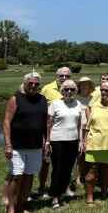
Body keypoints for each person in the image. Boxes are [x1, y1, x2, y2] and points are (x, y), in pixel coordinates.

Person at [3, 72, 48, 213]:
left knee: (29, 176)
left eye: (36, 84)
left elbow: (46, 123)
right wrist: (8, 144)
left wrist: (46, 141)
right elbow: (7, 122)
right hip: (17, 146)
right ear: (25, 83)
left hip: (35, 146)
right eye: (31, 83)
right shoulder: (16, 99)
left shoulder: (42, 99)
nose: (33, 86)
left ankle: (21, 206)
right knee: (17, 176)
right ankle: (11, 209)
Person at [45, 79, 85, 209]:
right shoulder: (55, 104)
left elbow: (79, 125)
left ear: (75, 91)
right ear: (62, 90)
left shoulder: (78, 104)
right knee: (58, 169)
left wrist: (80, 141)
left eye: (72, 89)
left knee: (68, 169)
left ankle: (61, 193)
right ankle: (55, 198)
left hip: (73, 141)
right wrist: (47, 141)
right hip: (57, 141)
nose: (69, 91)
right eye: (66, 89)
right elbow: (49, 124)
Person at [37, 67, 71, 196]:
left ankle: (63, 186)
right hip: (49, 130)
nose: (64, 78)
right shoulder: (47, 89)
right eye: (61, 75)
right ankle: (41, 186)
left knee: (64, 162)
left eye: (67, 76)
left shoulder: (72, 88)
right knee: (46, 161)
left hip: (67, 131)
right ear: (56, 76)